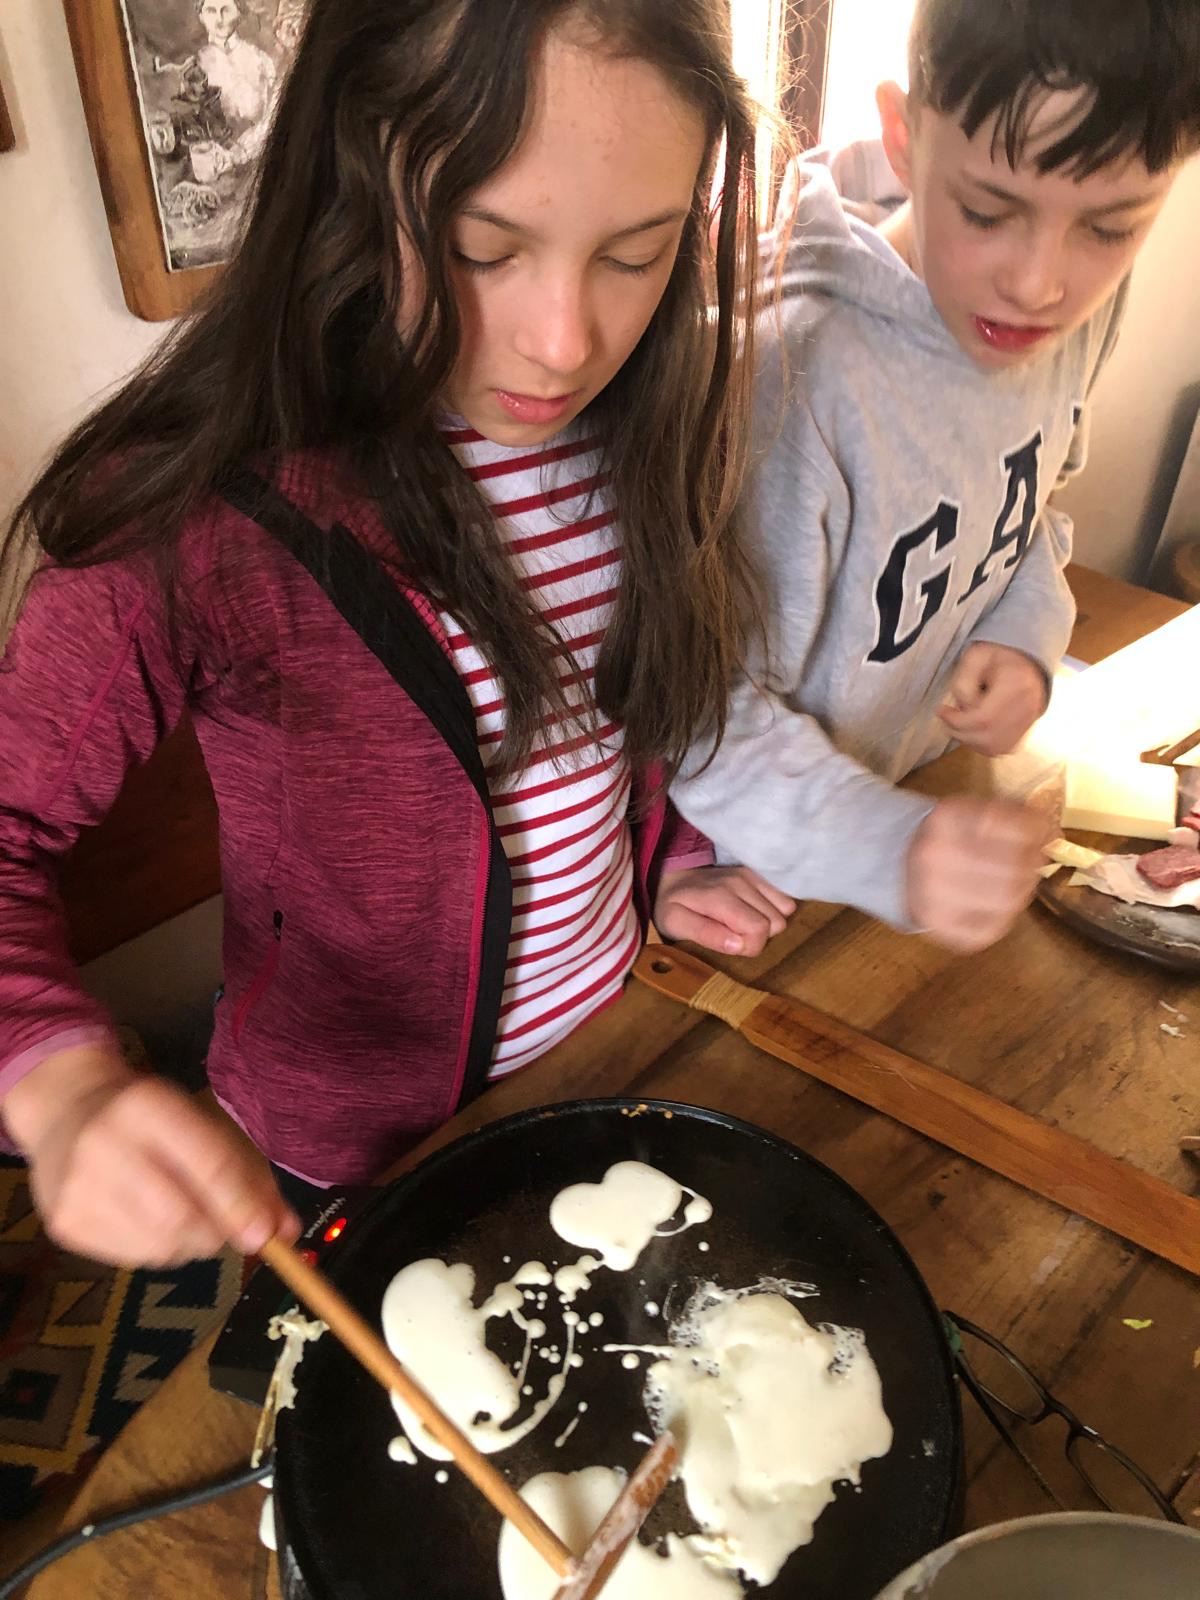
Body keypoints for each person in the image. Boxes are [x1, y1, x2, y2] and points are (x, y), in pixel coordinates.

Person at [0, 0, 793, 1271]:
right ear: (351, 180)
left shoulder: (646, 424)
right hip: (352, 1157)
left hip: (605, 1058)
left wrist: (675, 859)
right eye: (482, 246)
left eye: (635, 254)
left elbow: (620, 730)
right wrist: (61, 1083)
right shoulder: (197, 513)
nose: (565, 342)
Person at [674, 0, 1200, 956]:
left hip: (928, 808)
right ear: (903, 135)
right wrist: (892, 848)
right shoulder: (795, 374)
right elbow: (699, 709)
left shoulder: (1079, 312)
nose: (1039, 285)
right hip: (762, 869)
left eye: (1110, 228)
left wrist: (1023, 633)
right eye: (987, 212)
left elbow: (1030, 507)